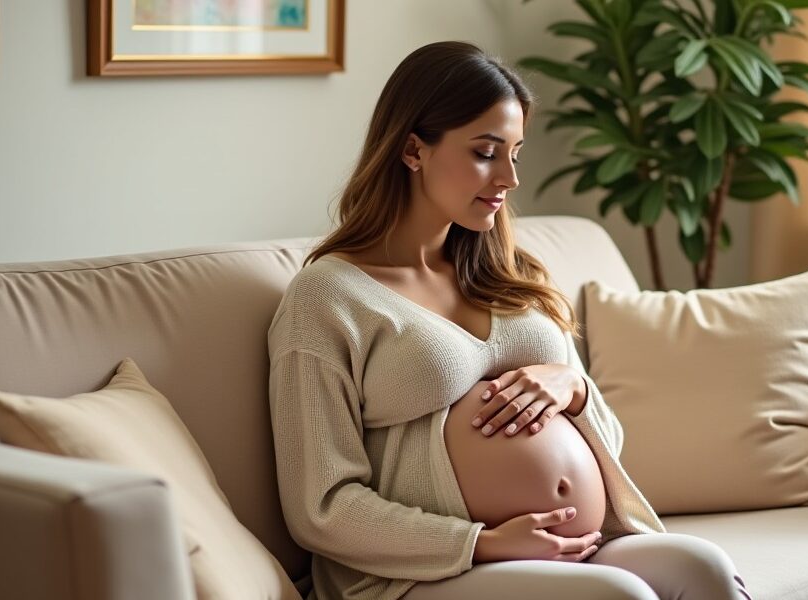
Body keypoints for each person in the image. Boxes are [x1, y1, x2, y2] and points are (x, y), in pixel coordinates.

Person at [266, 40, 752, 600]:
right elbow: (319, 506)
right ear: (412, 150)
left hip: (581, 545)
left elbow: (609, 443)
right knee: (621, 597)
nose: (509, 178)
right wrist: (482, 542)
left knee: (705, 567)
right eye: (485, 151)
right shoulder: (327, 297)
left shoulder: (510, 274)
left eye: (514, 153)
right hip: (428, 572)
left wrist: (574, 389)